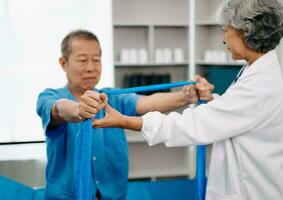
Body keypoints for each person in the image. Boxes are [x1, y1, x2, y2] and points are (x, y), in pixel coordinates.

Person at [93, 0, 283, 199]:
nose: (223, 39)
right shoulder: (256, 70)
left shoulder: (258, 85)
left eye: (225, 30)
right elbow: (239, 114)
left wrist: (125, 121)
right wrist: (212, 100)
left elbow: (192, 125)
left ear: (245, 31)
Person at [36, 29, 203, 199]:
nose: (91, 68)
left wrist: (187, 96)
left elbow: (147, 102)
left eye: (96, 60)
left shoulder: (111, 97)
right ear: (63, 63)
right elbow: (59, 109)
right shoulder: (49, 96)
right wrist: (78, 109)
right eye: (82, 60)